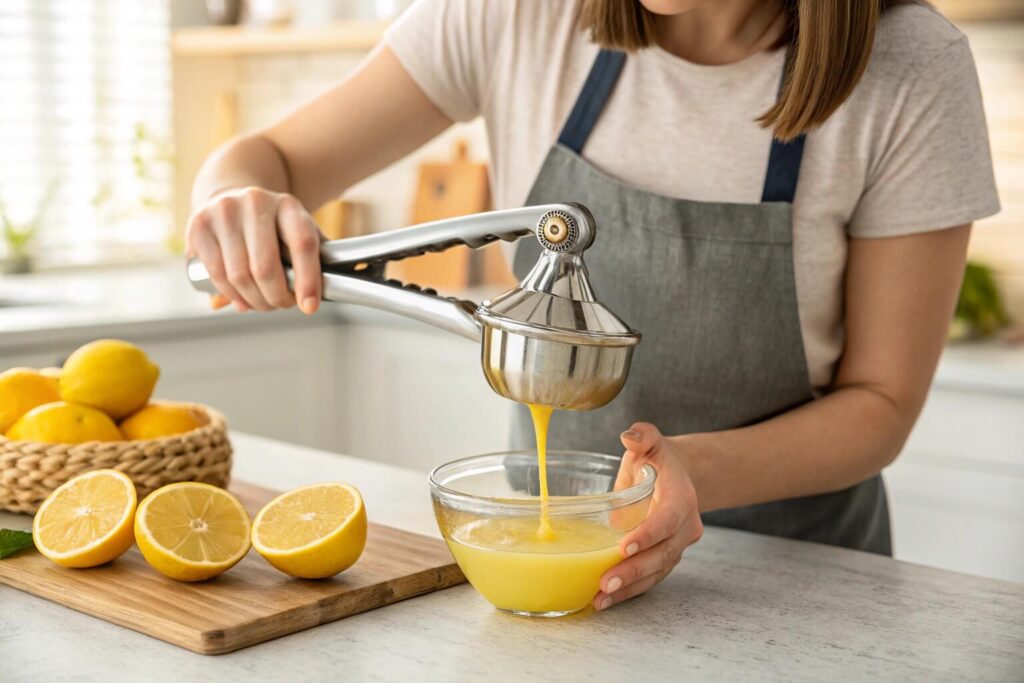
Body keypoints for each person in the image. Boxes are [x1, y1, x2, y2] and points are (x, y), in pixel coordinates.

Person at [187, 0, 1000, 611]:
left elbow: (883, 403)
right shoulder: (517, 14)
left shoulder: (913, 67)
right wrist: (233, 198)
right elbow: (270, 158)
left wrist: (693, 474)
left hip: (800, 589)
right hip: (555, 591)